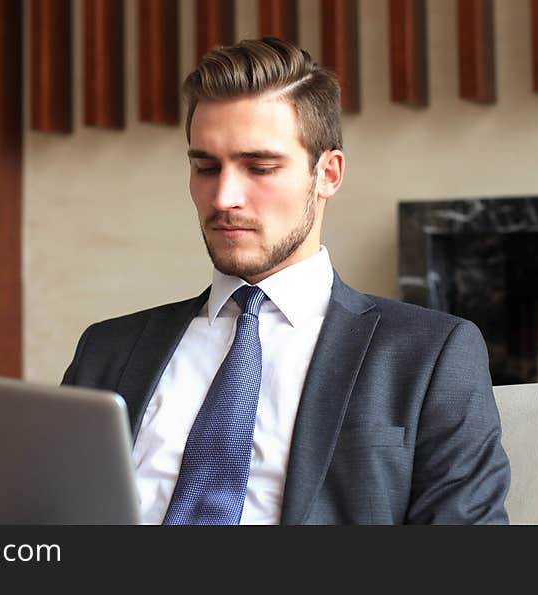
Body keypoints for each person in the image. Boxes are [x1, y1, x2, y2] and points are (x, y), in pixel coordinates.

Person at [62, 37, 510, 524]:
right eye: (205, 167)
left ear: (328, 174)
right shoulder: (107, 350)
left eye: (260, 167)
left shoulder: (431, 354)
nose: (225, 196)